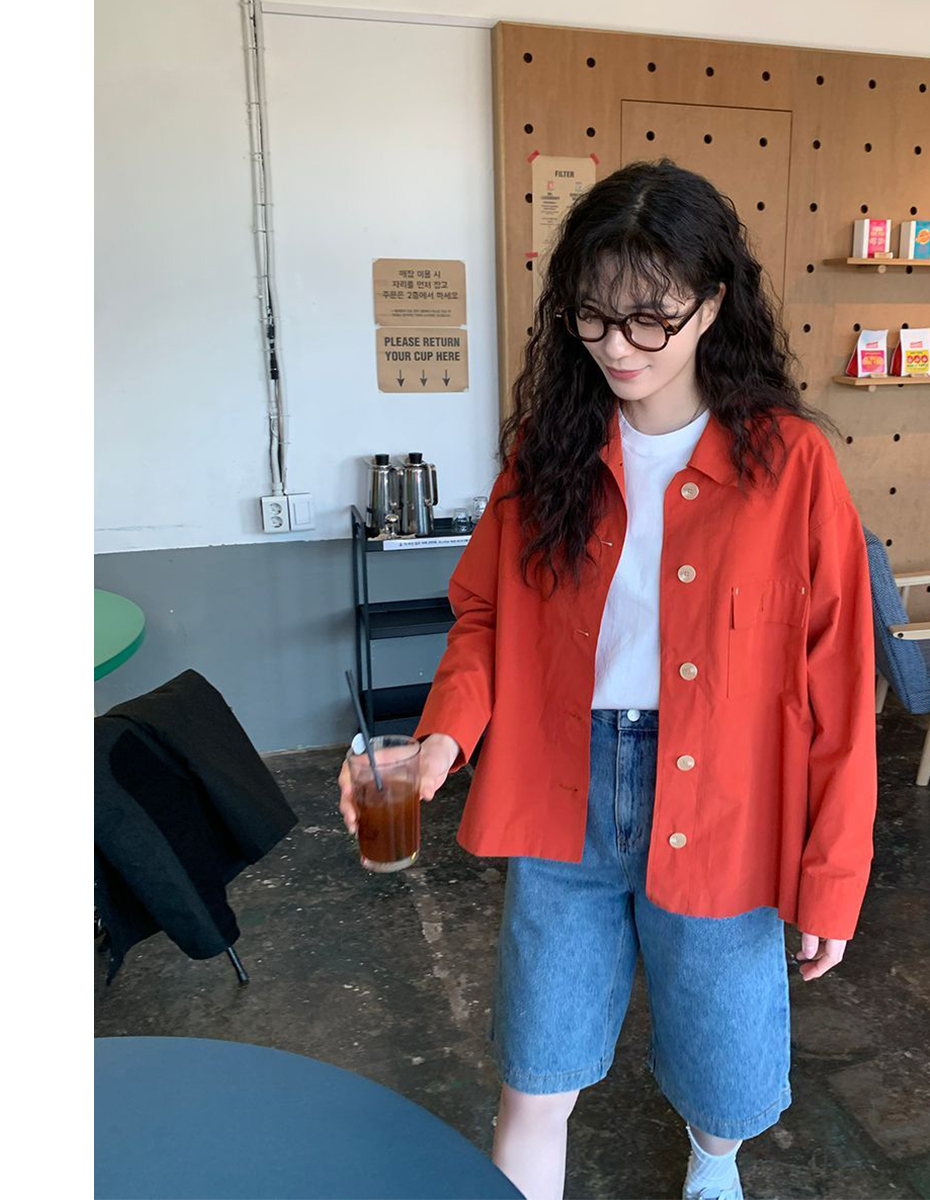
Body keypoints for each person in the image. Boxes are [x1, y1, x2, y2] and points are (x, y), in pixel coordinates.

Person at [339, 158, 878, 1200]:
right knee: (534, 1078)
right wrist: (442, 739)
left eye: (649, 319)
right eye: (592, 316)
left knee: (723, 1079)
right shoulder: (549, 452)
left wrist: (833, 876)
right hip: (564, 791)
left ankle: (712, 1165)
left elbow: (840, 690)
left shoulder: (791, 465)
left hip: (729, 803)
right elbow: (487, 616)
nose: (618, 346)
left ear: (711, 305)